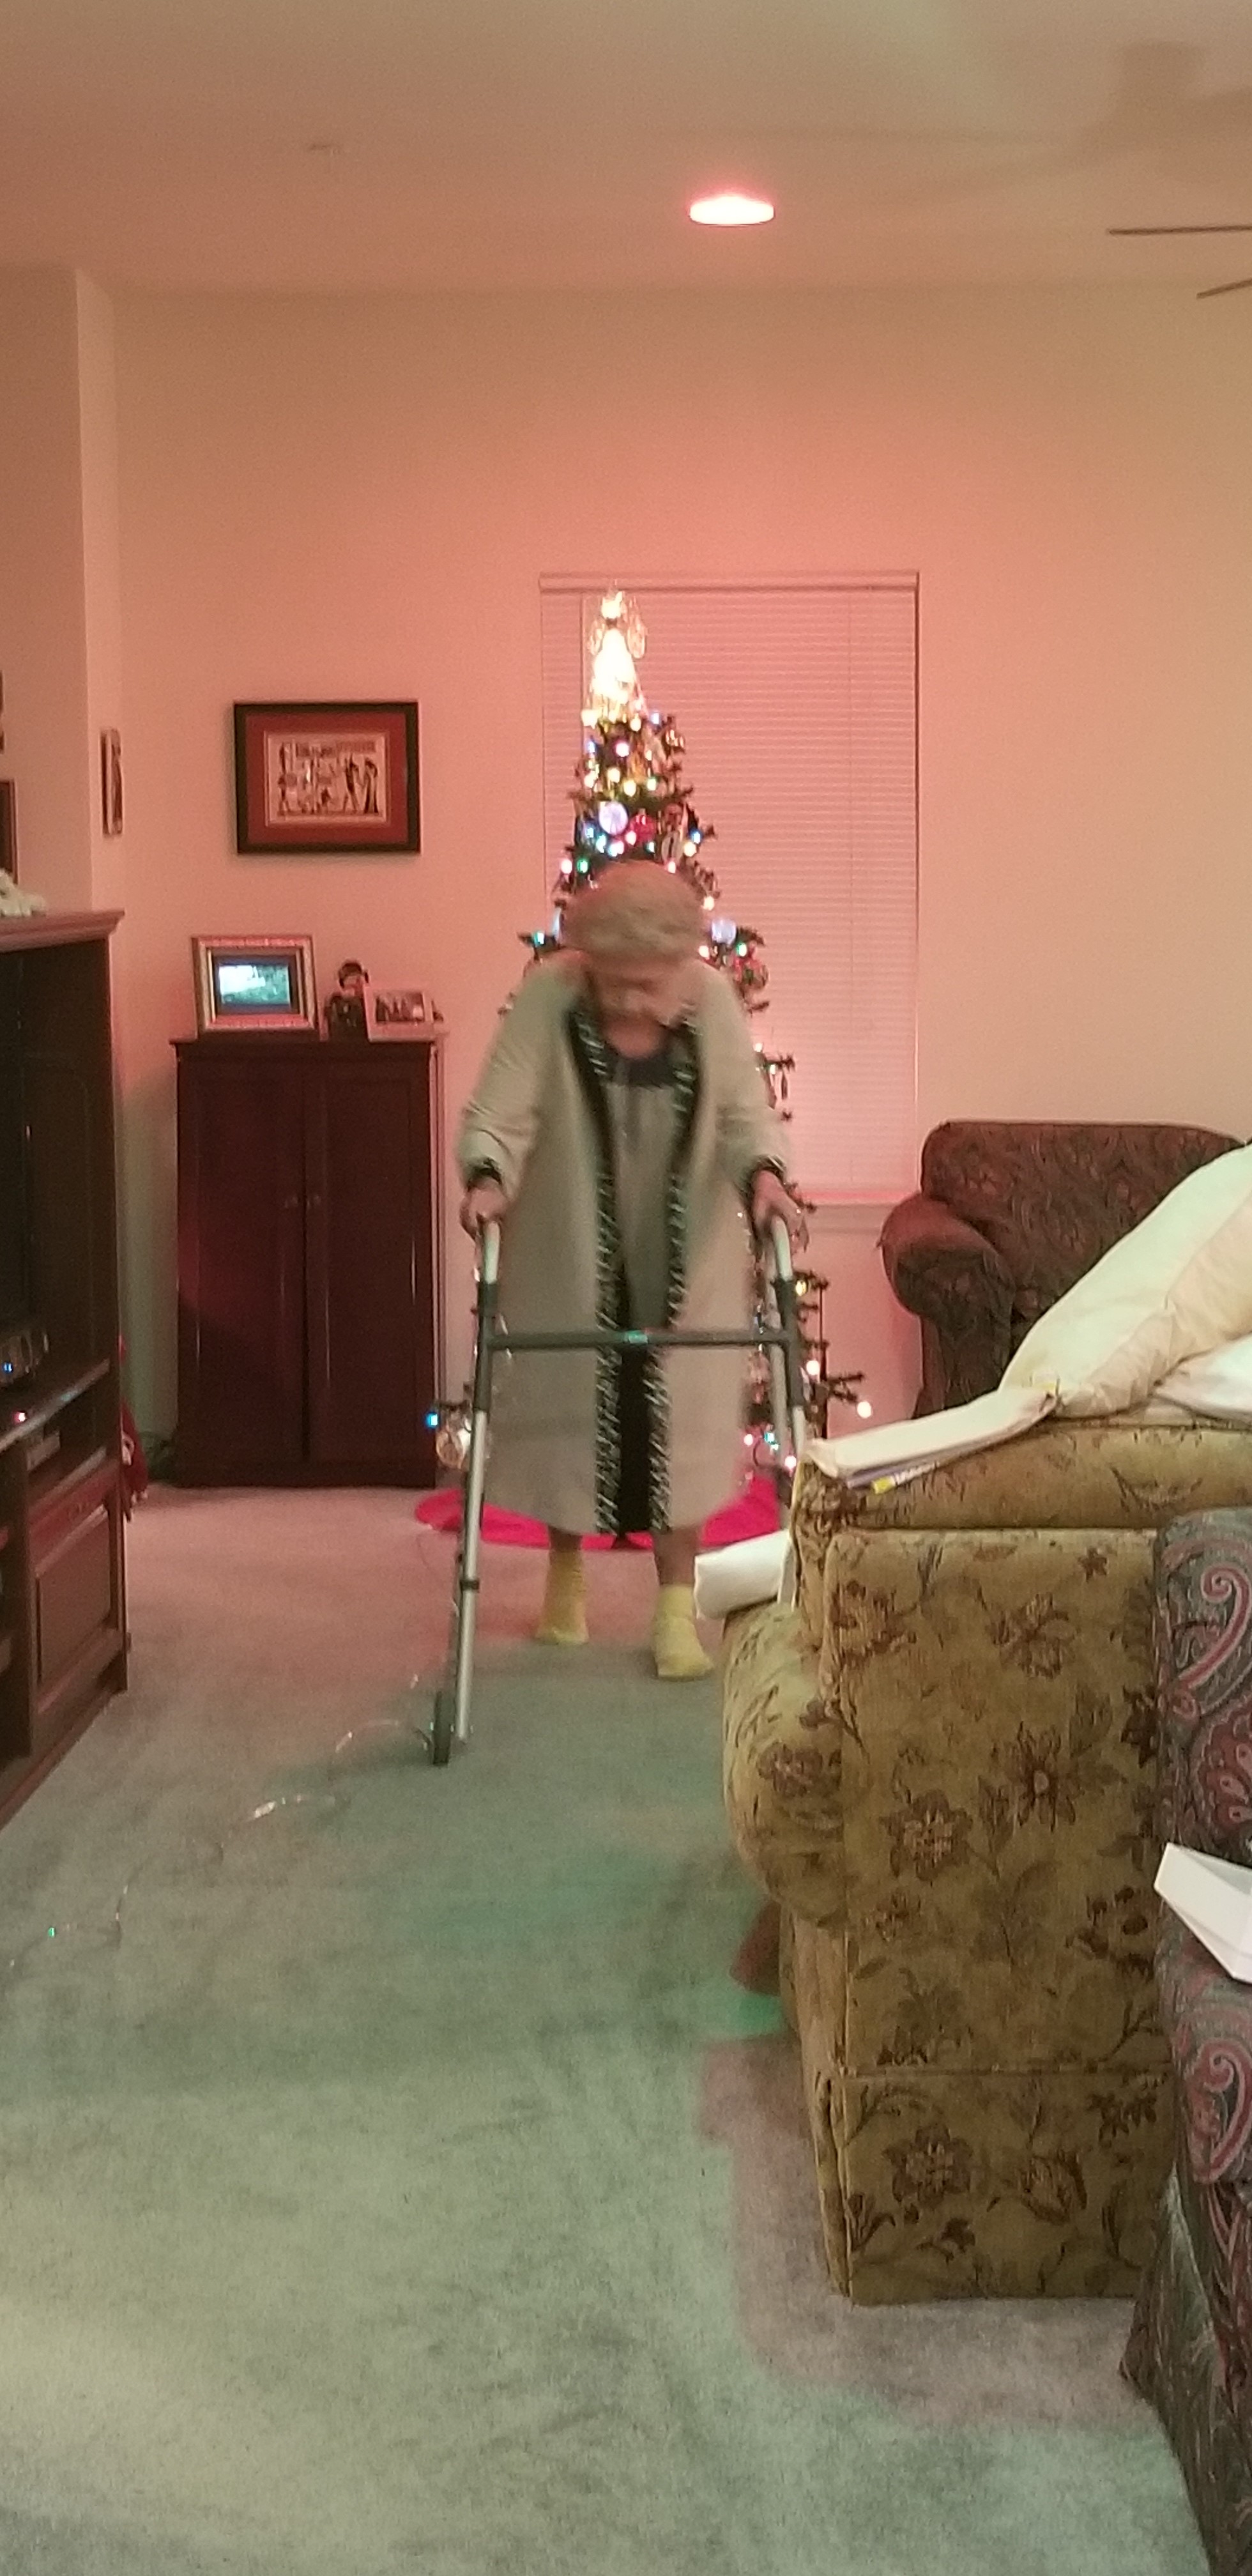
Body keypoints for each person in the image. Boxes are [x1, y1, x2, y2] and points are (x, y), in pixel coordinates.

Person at [457, 861, 805, 1680]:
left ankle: (675, 1611)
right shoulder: (550, 995)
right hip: (571, 1227)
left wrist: (764, 1177)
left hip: (684, 1238)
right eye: (612, 979)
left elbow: (744, 1113)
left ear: (681, 962)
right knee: (568, 1397)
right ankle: (566, 1579)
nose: (627, 998)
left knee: (684, 1418)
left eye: (646, 982)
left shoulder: (711, 1001)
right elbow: (503, 1102)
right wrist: (487, 1176)